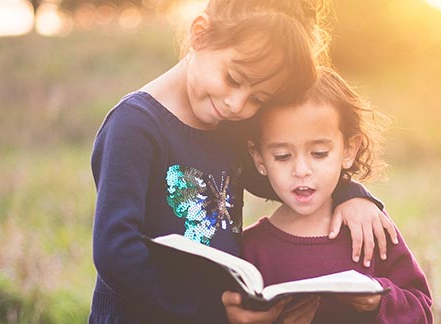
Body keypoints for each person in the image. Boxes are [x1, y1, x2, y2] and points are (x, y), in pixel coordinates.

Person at [89, 1, 399, 323]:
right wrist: (213, 310)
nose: (237, 104)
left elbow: (293, 180)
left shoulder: (229, 126)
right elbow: (116, 253)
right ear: (200, 33)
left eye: (258, 99)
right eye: (234, 78)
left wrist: (352, 196)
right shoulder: (134, 127)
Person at [242, 67, 433, 324]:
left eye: (319, 153)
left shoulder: (369, 226)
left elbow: (421, 311)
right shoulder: (252, 248)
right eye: (282, 156)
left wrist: (378, 301)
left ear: (349, 150)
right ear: (259, 158)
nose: (301, 170)